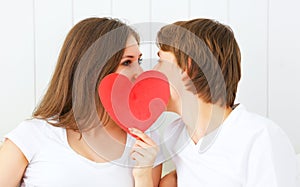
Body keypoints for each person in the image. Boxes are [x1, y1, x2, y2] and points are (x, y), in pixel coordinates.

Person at [0, 17, 162, 187]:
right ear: (93, 68)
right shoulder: (33, 135)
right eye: (127, 62)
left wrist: (143, 177)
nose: (140, 72)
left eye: (139, 61)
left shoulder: (146, 142)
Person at [155, 18, 299, 186]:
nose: (152, 72)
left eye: (160, 62)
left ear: (189, 68)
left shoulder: (260, 138)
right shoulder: (176, 136)